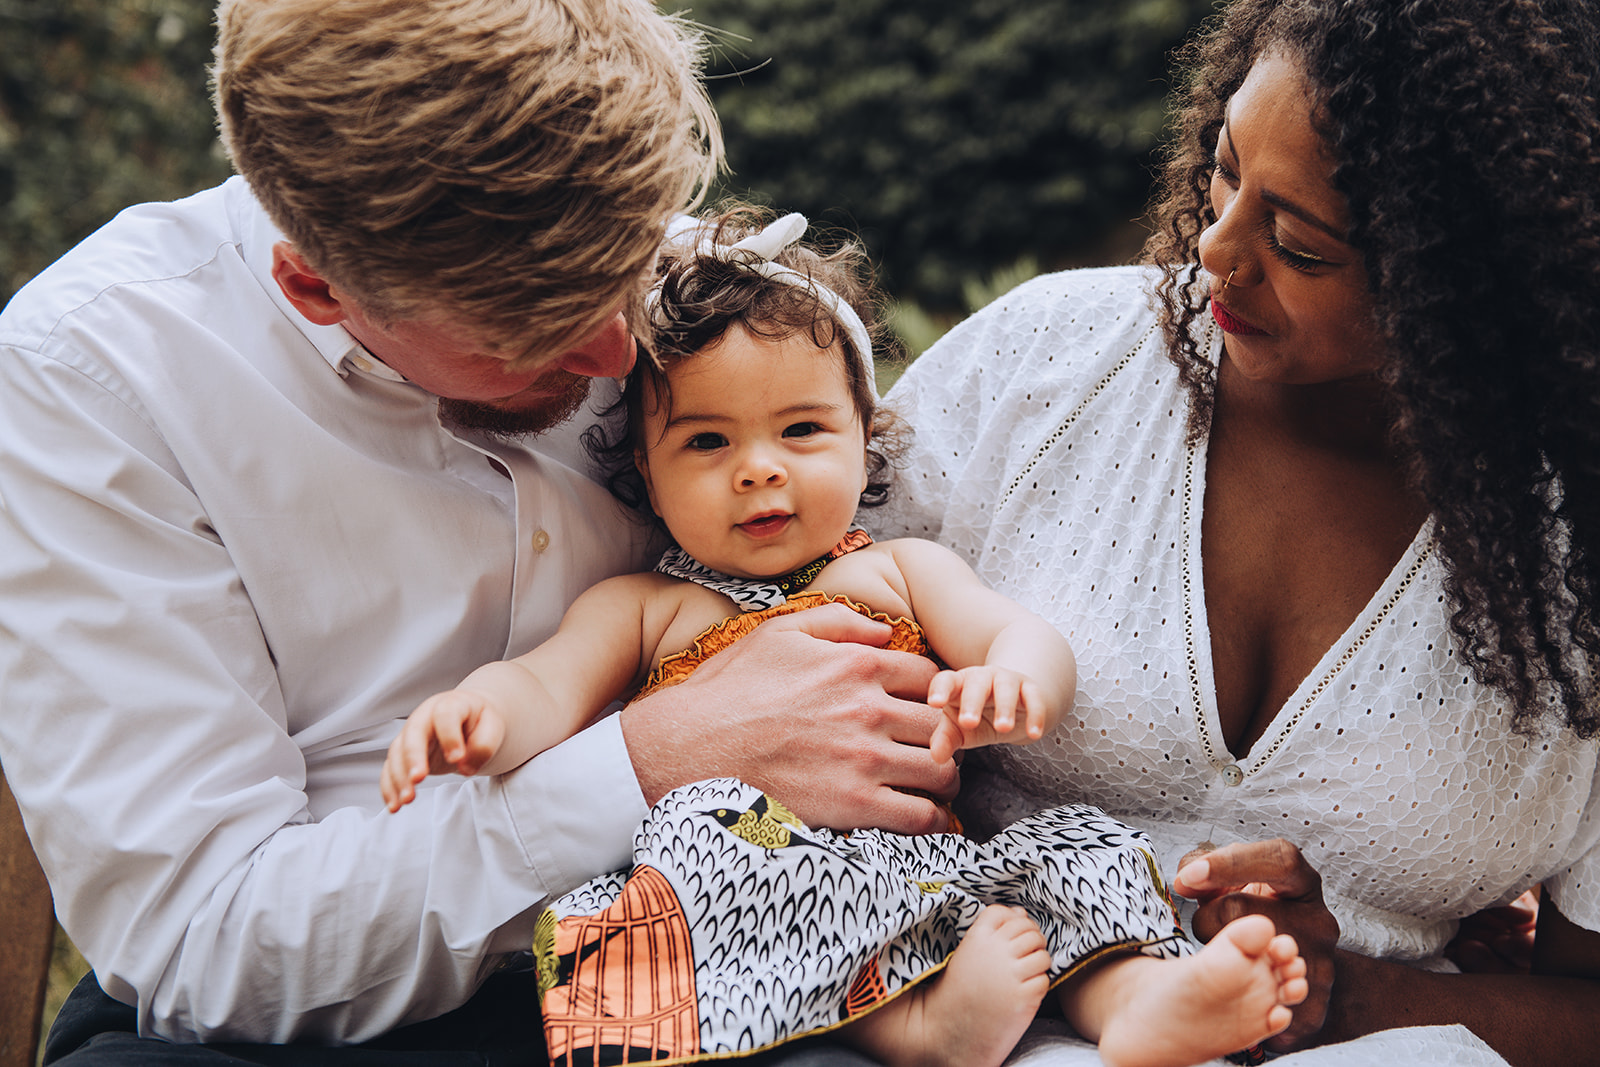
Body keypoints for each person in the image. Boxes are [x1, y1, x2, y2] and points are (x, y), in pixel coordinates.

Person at [0, 1, 962, 1061]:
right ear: (317, 286)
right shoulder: (96, 374)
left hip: (737, 939)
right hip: (308, 1024)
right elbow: (207, 944)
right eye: (537, 329)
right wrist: (649, 761)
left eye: (629, 270)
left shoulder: (694, 290)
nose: (616, 356)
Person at [380, 208, 1309, 1067]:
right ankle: (912, 1029)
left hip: (932, 865)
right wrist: (475, 716)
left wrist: (1016, 682)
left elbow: (1016, 633)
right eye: (706, 442)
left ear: (867, 436)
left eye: (801, 429)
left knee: (1070, 848)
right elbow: (545, 687)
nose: (759, 469)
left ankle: (1142, 996)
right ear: (645, 470)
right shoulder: (644, 605)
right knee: (697, 852)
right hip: (760, 877)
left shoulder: (897, 569)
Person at [876, 0, 1600, 1065]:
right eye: (1223, 171)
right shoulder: (1042, 366)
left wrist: (1349, 992)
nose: (1215, 248)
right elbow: (775, 614)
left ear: (1467, 284)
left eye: (1298, 245)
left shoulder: (1569, 552)